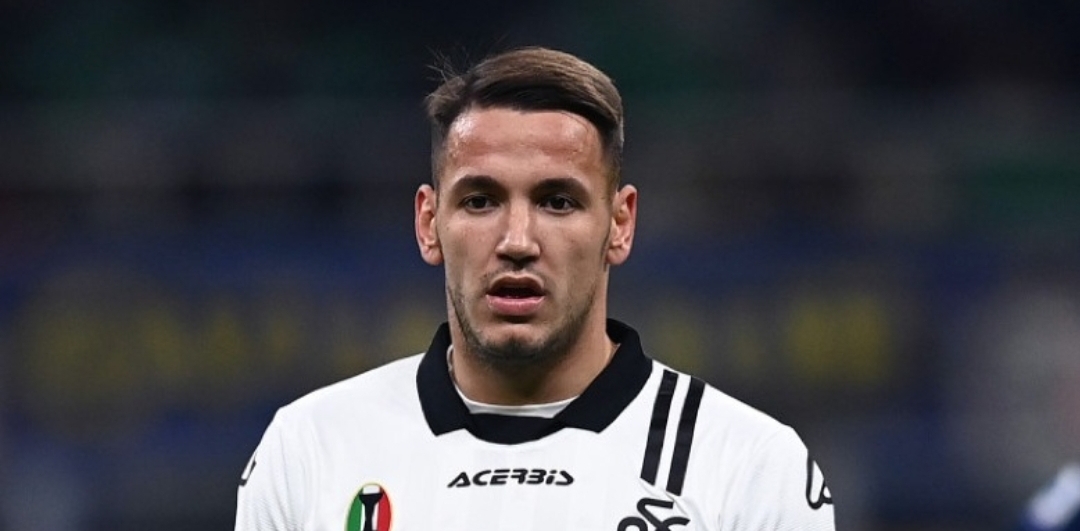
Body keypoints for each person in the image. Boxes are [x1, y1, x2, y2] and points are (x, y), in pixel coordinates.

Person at [235, 46, 835, 531]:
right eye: (480, 200)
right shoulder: (310, 449)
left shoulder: (747, 464)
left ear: (619, 224)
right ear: (428, 222)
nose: (517, 240)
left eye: (557, 201)